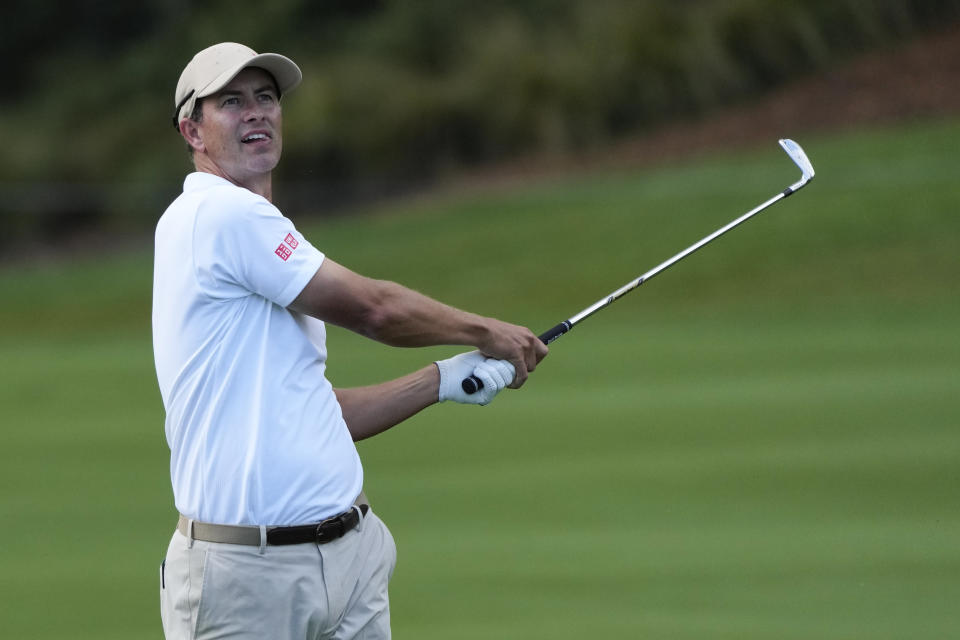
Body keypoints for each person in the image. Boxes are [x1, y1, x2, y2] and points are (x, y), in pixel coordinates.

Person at [153, 42, 548, 640]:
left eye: (266, 98)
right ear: (193, 129)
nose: (256, 112)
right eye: (231, 102)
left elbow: (314, 411)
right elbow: (374, 310)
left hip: (349, 560)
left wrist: (441, 379)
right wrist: (486, 330)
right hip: (249, 582)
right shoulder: (219, 215)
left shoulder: (250, 225)